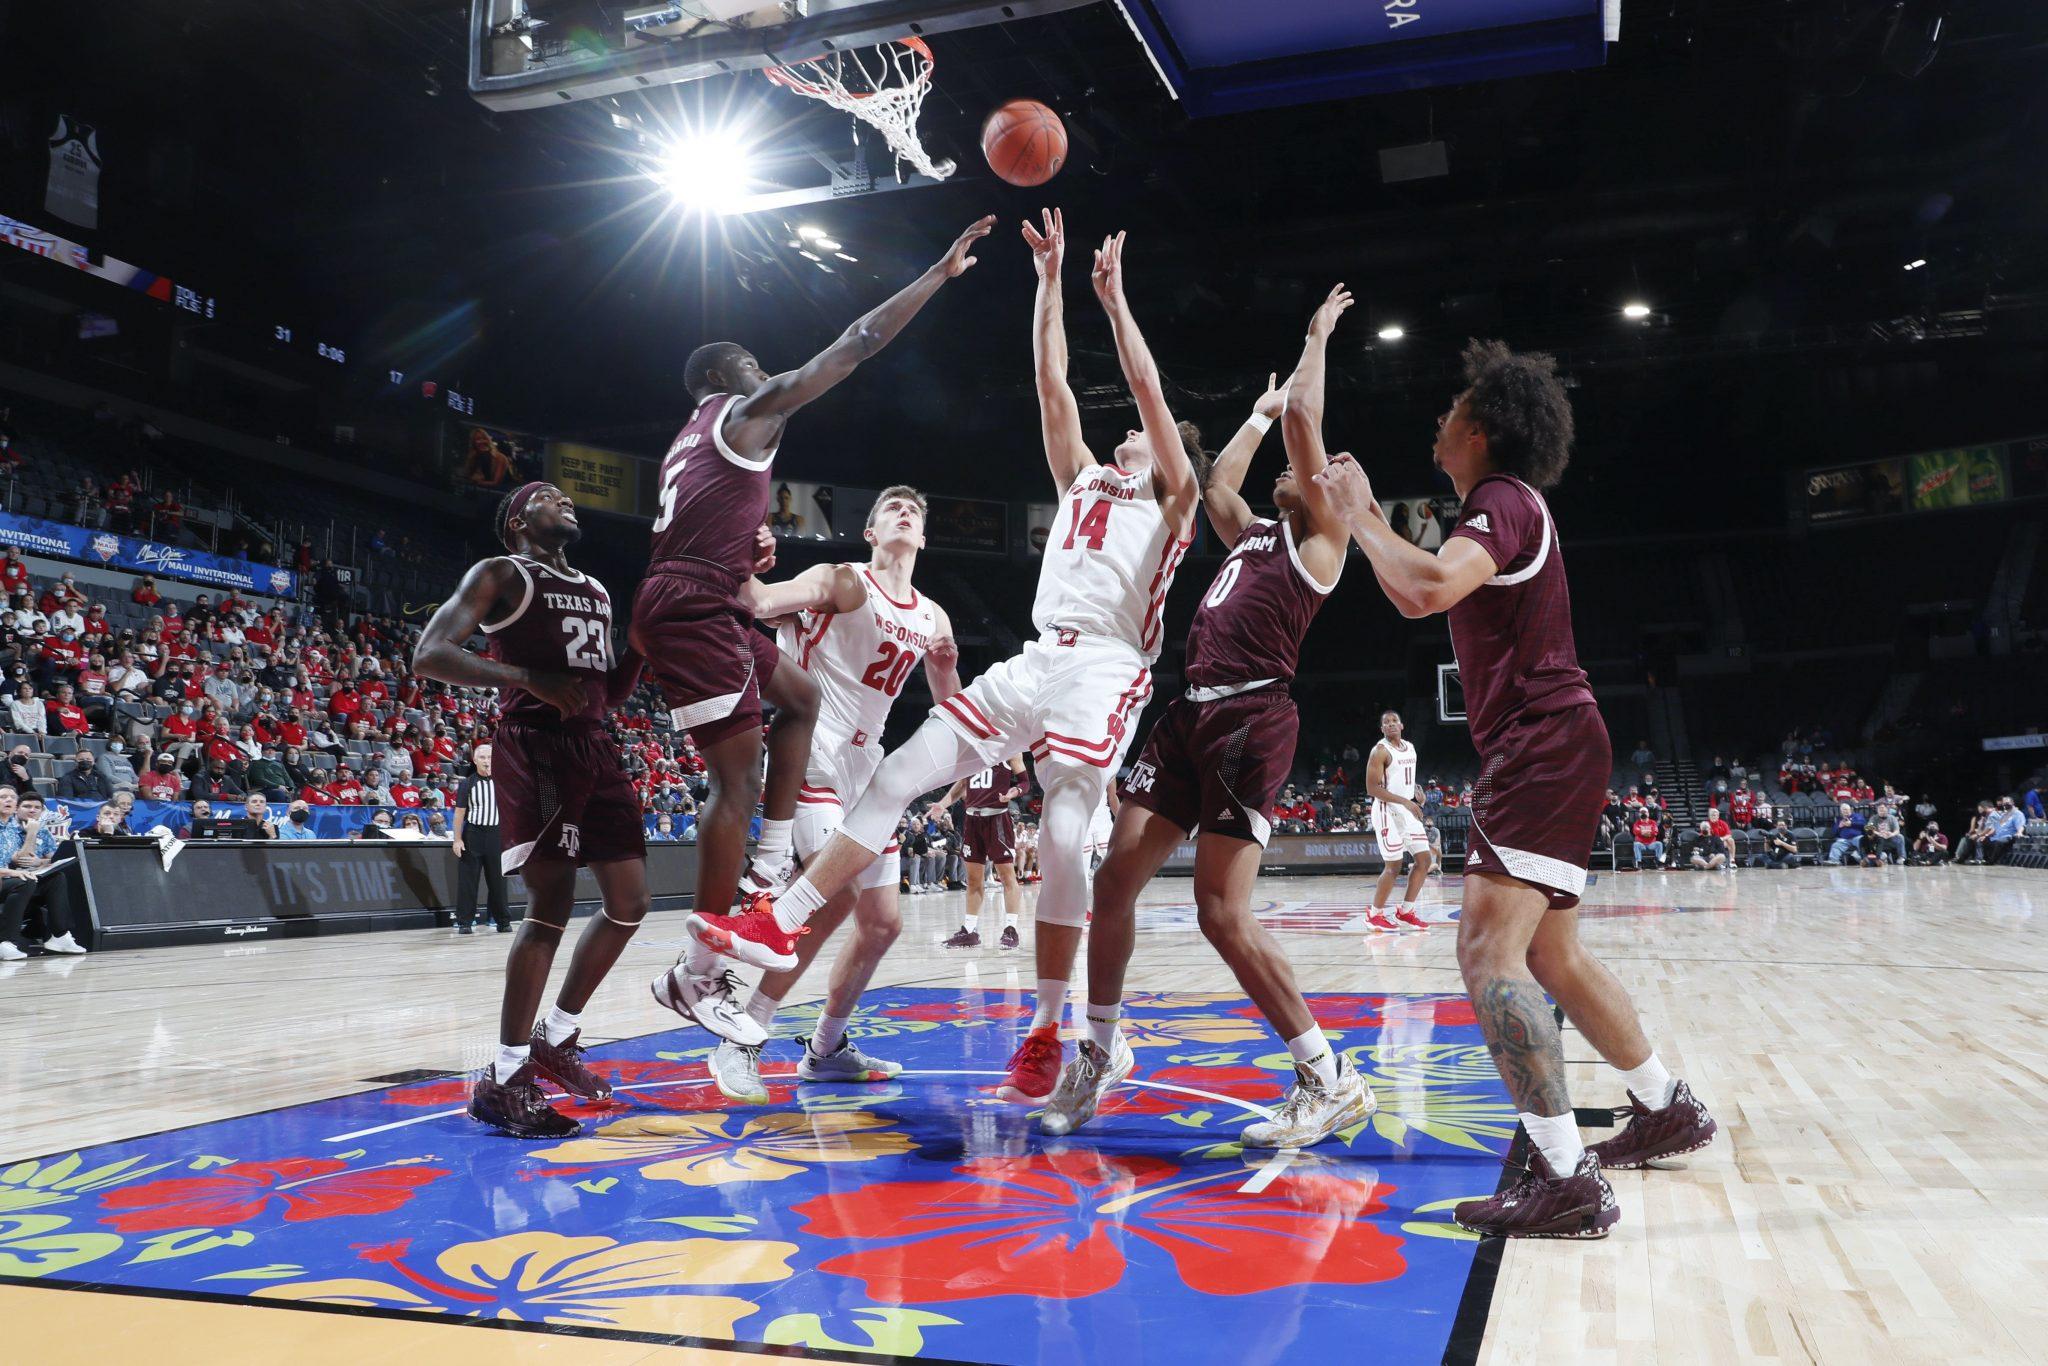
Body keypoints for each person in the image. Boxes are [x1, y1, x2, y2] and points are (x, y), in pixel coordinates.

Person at [726, 219, 1204, 1116]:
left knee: (1065, 834)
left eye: (1150, 434)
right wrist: (1051, 281)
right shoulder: (1084, 483)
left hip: (1107, 663)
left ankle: (1053, 1025)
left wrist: (1117, 300)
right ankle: (779, 917)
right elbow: (1050, 381)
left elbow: (1143, 388)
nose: (1133, 436)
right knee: (906, 770)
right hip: (1038, 654)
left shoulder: (1174, 499)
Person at [1313, 335, 1715, 1238]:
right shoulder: (1507, 506)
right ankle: (1664, 1104)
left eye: (1453, 409)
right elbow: (1414, 585)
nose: (1439, 419)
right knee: (1551, 956)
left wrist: (1358, 512)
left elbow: (1425, 593)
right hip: (1563, 741)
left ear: (1485, 428)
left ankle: (1565, 1176)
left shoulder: (1499, 501)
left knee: (1487, 956)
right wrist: (1370, 519)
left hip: (1540, 743)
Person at [632, 216, 992, 1027]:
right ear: (730, 375)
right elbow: (856, 342)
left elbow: (949, 698)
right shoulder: (757, 436)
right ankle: (706, 979)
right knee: (758, 812)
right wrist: (934, 275)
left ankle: (807, 1005)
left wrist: (742, 546)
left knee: (876, 910)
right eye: (755, 366)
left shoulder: (692, 445)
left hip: (850, 742)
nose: (769, 373)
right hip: (734, 649)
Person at [1039, 285, 1373, 1146]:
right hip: (1189, 715)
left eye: (1328, 477)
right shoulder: (1256, 533)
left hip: (1252, 720)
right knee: (1114, 881)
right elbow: (1222, 480)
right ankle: (1101, 1052)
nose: (1317, 477)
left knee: (1221, 914)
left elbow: (1309, 420)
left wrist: (1314, 337)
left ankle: (1328, 1077)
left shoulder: (1320, 546)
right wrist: (1256, 415)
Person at [659, 486, 962, 1101]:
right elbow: (762, 600)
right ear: (871, 532)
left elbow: (947, 699)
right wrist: (746, 555)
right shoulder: (841, 580)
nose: (905, 513)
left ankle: (827, 1047)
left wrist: (947, 665)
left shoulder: (934, 616)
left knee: (882, 925)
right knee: (835, 896)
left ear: (924, 538)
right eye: (891, 509)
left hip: (869, 765)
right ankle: (741, 1040)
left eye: (915, 511)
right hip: (815, 753)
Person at [412, 482, 651, 1139]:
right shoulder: (501, 573)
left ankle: (558, 1036)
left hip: (596, 746)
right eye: (549, 497)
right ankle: (507, 1076)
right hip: (535, 747)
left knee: (630, 901)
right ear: (519, 519)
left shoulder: (600, 591)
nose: (566, 501)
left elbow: (606, 690)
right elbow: (429, 654)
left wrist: (640, 650)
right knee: (549, 906)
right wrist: (523, 678)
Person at [938, 756, 1030, 949]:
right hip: (972, 820)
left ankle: (1011, 929)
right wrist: (942, 804)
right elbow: (962, 784)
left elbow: (1025, 782)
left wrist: (1015, 791)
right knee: (973, 879)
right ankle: (969, 931)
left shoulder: (1010, 749)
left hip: (997, 819)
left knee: (1006, 877)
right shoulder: (971, 749)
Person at [1365, 707, 1433, 932]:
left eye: (1395, 721)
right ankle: (1374, 915)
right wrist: (1405, 802)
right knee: (1394, 866)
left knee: (1424, 860)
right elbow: (1372, 788)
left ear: (1402, 725)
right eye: (1387, 722)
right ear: (1382, 728)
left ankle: (1405, 911)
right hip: (1387, 811)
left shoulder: (1411, 748)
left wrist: (1414, 800)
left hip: (1407, 808)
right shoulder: (1379, 751)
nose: (1391, 724)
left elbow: (1403, 782)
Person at [0, 791, 84, 956]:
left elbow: (20, 859)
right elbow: (19, 864)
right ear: (19, 809)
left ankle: (60, 935)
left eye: (12, 798)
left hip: (13, 880)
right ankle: (6, 941)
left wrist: (39, 862)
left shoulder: (11, 828)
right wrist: (31, 834)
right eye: (3, 797)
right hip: (7, 880)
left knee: (56, 878)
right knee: (25, 880)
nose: (8, 800)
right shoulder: (14, 828)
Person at [451, 743, 510, 935]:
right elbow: (459, 813)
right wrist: (457, 839)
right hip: (473, 835)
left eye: (490, 757)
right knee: (468, 881)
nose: (487, 761)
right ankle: (465, 922)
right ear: (475, 760)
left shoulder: (503, 782)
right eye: (483, 758)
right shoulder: (468, 783)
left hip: (496, 835)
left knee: (498, 881)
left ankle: (502, 921)